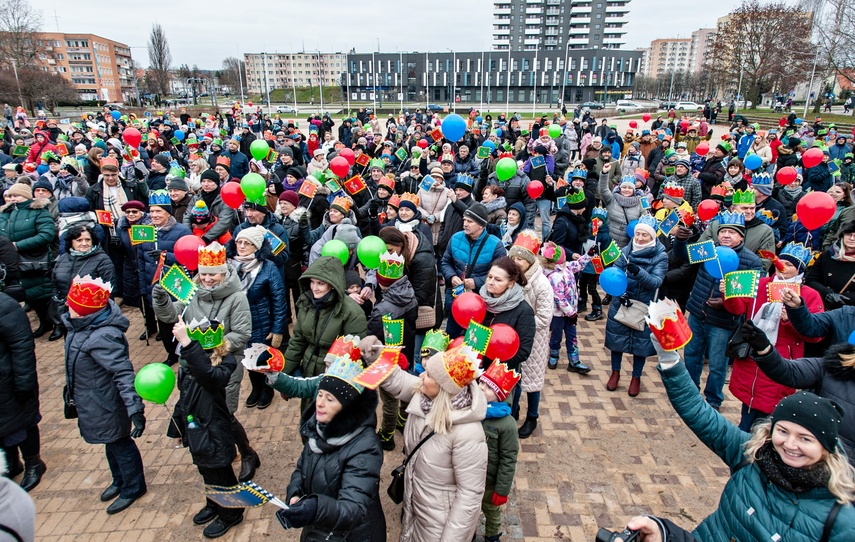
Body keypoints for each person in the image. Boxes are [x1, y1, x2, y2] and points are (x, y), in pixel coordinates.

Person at [622, 335, 855, 542]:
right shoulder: (753, 453)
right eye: (782, 431)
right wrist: (670, 361)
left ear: (826, 447)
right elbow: (700, 414)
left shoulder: (842, 521)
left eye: (805, 439)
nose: (790, 444)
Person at [151, 242, 259, 483]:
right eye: (204, 273)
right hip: (193, 366)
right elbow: (170, 315)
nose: (208, 279)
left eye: (213, 274)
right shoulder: (191, 291)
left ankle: (246, 453)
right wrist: (160, 297)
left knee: (225, 414)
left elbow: (242, 333)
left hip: (223, 365)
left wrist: (212, 347)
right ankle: (219, 453)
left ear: (223, 272)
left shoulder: (237, 297)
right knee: (203, 414)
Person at [378, 342, 488, 542]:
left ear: (443, 387)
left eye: (428, 374)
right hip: (415, 505)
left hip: (439, 524)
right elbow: (399, 380)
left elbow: (470, 495)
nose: (421, 376)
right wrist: (376, 356)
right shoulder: (426, 398)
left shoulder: (468, 434)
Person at [272, 354, 386, 541]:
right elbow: (302, 468)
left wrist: (315, 507)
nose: (320, 403)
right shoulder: (317, 426)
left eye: (330, 399)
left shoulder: (366, 447)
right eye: (320, 394)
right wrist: (295, 493)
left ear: (347, 407)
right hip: (320, 528)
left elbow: (353, 510)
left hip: (354, 535)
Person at [62, 276, 147, 514]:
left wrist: (135, 408)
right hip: (93, 401)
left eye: (72, 305)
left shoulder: (102, 336)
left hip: (107, 403)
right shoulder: (79, 327)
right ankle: (119, 480)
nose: (67, 308)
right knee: (109, 442)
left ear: (84, 311)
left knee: (120, 443)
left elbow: (123, 373)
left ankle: (134, 486)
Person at [721, 244, 824, 431]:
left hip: (782, 363)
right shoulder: (760, 284)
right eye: (779, 261)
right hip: (752, 359)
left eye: (788, 264)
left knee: (768, 419)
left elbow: (816, 335)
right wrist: (728, 293)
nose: (781, 266)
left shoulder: (809, 295)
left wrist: (792, 319)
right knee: (749, 412)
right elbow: (737, 309)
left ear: (799, 270)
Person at [673, 212, 764, 410]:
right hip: (698, 313)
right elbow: (682, 256)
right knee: (691, 355)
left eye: (732, 232)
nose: (726, 236)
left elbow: (751, 296)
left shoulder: (751, 262)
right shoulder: (709, 249)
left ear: (741, 236)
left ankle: (713, 400)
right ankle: (690, 393)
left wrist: (726, 302)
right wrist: (680, 241)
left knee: (717, 364)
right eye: (723, 231)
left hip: (724, 322)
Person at [168, 316, 245, 539]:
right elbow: (184, 399)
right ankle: (213, 504)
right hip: (196, 428)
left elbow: (209, 377)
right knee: (206, 469)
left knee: (221, 471)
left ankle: (232, 513)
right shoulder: (190, 364)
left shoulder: (225, 363)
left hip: (215, 429)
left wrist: (188, 345)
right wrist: (177, 429)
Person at [281, 256, 367, 413]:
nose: (314, 288)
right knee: (308, 419)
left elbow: (354, 356)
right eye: (312, 282)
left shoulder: (352, 313)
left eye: (320, 283)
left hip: (334, 377)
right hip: (309, 373)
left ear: (333, 284)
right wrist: (284, 378)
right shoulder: (306, 303)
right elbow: (297, 341)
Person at [603, 216, 668, 397]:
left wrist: (638, 272)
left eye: (644, 235)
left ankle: (636, 377)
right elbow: (615, 274)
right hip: (622, 302)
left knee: (640, 344)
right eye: (637, 234)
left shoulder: (660, 256)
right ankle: (615, 372)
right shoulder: (626, 250)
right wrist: (619, 294)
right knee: (617, 341)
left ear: (652, 237)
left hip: (644, 306)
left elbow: (656, 282)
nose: (639, 238)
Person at [227, 226, 287, 411]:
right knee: (246, 357)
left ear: (257, 247)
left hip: (262, 321)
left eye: (247, 243)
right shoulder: (229, 265)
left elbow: (279, 300)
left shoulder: (267, 268)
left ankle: (267, 389)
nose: (242, 246)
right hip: (238, 323)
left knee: (262, 358)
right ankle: (255, 388)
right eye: (239, 242)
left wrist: (278, 329)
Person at [507, 231, 554, 439]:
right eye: (514, 258)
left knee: (532, 379)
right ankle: (513, 409)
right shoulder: (511, 279)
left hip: (534, 338)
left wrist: (521, 323)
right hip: (511, 337)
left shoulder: (542, 284)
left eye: (521, 259)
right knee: (514, 376)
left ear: (530, 260)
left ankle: (532, 416)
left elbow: (544, 318)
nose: (517, 263)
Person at [136, 190, 193, 356]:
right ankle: (171, 354)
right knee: (163, 324)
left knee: (178, 321)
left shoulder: (181, 231)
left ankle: (185, 350)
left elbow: (189, 258)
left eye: (158, 211)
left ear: (167, 213)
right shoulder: (145, 232)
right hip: (153, 285)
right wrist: (142, 284)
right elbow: (140, 260)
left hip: (175, 285)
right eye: (152, 211)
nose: (154, 215)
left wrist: (166, 256)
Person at [440, 203, 507, 338]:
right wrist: (452, 276)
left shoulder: (496, 245)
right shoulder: (455, 238)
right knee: (452, 340)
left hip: (480, 304)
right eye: (464, 220)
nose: (465, 224)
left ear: (481, 225)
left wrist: (477, 282)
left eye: (470, 221)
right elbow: (445, 262)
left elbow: (501, 275)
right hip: (456, 299)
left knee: (475, 342)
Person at [0, 292, 43, 492]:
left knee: (24, 423)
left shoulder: (5, 306)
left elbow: (22, 346)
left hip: (11, 380)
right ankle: (12, 463)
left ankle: (33, 463)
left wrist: (24, 382)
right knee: (4, 426)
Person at [0, 182, 56, 337]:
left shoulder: (38, 211)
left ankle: (53, 322)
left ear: (26, 196)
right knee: (26, 295)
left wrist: (17, 245)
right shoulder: (3, 214)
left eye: (16, 195)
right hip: (12, 263)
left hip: (35, 260)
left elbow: (46, 235)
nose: (12, 199)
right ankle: (43, 322)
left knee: (42, 295)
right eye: (9, 196)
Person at [477, 361, 521, 542]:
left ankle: (492, 536)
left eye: (488, 388)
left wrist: (501, 490)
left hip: (490, 480)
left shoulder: (507, 425)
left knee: (491, 510)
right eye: (481, 383)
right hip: (470, 474)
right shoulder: (473, 409)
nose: (481, 388)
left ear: (499, 396)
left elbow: (508, 458)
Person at [49, 225, 114, 341]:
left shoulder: (102, 260)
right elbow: (54, 283)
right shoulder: (63, 258)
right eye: (79, 240)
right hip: (67, 314)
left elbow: (109, 289)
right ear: (71, 242)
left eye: (87, 240)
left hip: (92, 317)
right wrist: (58, 299)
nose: (84, 243)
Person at [806, 221, 855, 310]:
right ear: (842, 236)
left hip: (850, 311)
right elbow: (811, 280)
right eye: (848, 234)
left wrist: (845, 298)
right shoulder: (827, 255)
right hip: (824, 307)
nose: (851, 238)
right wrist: (828, 294)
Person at [183, 170, 236, 245]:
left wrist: (206, 238)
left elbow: (224, 222)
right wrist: (188, 235)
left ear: (216, 183)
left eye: (210, 181)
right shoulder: (196, 198)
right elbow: (187, 216)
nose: (206, 184)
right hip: (197, 234)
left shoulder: (225, 198)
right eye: (203, 181)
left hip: (220, 236)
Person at [598, 164, 644, 248]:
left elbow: (644, 222)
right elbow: (603, 189)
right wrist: (604, 173)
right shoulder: (612, 198)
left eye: (630, 188)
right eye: (624, 187)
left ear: (634, 190)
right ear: (620, 188)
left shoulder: (640, 203)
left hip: (626, 245)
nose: (626, 190)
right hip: (608, 241)